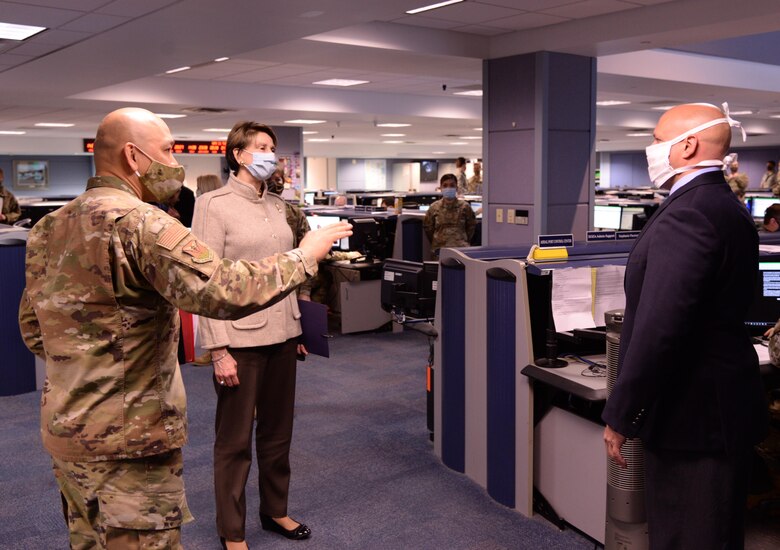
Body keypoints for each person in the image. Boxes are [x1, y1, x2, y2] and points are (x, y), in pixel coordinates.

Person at [17, 108, 350, 550]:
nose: (175, 163)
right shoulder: (143, 223)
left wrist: (89, 362)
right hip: (130, 437)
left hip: (68, 430)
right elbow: (223, 290)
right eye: (168, 150)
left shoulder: (49, 227)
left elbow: (34, 330)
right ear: (134, 157)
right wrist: (305, 256)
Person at [602, 102, 768, 549]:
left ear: (688, 145)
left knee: (688, 535)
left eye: (657, 140)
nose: (652, 149)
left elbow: (661, 328)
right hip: (719, 405)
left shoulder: (689, 213)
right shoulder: (726, 206)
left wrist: (620, 414)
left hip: (692, 416)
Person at [191, 122, 314, 549]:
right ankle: (232, 530)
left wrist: (298, 323)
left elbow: (289, 269)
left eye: (273, 147)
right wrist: (217, 348)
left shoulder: (278, 205)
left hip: (284, 333)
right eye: (261, 147)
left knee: (279, 434)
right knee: (235, 440)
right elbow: (204, 284)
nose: (271, 154)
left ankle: (275, 511)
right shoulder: (213, 204)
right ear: (238, 155)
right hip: (239, 342)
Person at [423, 173, 476, 258]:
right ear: (440, 188)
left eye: (452, 185)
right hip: (439, 251)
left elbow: (471, 227)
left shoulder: (465, 207)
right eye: (445, 185)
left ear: (456, 188)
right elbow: (428, 229)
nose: (448, 188)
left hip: (461, 251)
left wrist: (460, 240)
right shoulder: (433, 208)